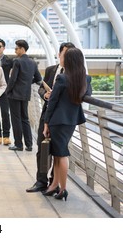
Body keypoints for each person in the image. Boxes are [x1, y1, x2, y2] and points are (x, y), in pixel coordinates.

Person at [42, 47, 91, 201]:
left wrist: (46, 123)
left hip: (57, 121)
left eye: (64, 57)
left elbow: (53, 102)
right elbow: (87, 95)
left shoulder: (62, 78)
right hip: (71, 121)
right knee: (58, 153)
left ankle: (63, 189)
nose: (61, 59)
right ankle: (54, 185)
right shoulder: (85, 78)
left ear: (69, 61)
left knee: (61, 154)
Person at [26, 42, 75, 193]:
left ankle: (55, 183)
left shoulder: (75, 73)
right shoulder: (51, 70)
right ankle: (41, 181)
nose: (65, 57)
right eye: (64, 54)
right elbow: (41, 87)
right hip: (47, 114)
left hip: (62, 119)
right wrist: (45, 94)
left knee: (58, 151)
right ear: (59, 54)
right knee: (42, 148)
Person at [7, 39, 42, 152]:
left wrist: (8, 91)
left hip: (15, 94)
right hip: (26, 94)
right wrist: (27, 83)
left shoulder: (17, 62)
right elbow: (38, 79)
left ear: (22, 49)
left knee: (16, 119)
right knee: (25, 119)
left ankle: (18, 144)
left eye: (16, 48)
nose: (15, 50)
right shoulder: (32, 62)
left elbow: (13, 79)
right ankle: (29, 144)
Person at [0, 39, 13, 146]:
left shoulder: (9, 60)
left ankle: (6, 136)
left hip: (5, 91)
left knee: (5, 113)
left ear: (4, 48)